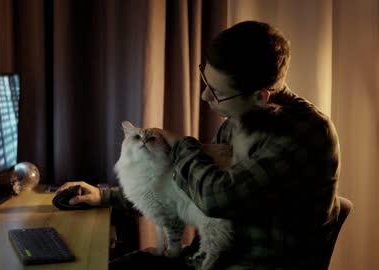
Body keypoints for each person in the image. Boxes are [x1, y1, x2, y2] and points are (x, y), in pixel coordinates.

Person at [58, 20, 340, 270]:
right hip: (206, 256)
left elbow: (216, 199)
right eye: (206, 79)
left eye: (216, 91)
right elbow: (180, 187)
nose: (205, 96)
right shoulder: (240, 116)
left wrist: (182, 144)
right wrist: (107, 197)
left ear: (261, 96)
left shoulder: (305, 133)